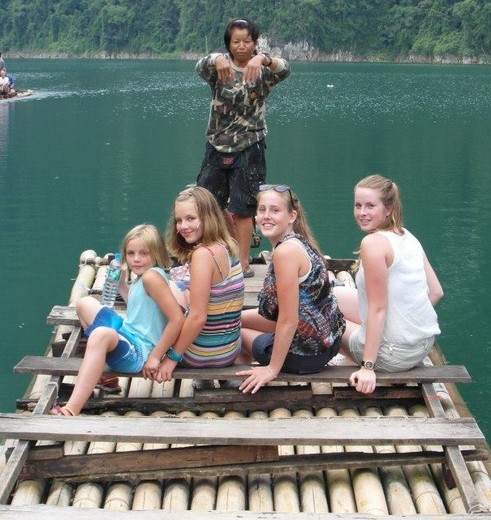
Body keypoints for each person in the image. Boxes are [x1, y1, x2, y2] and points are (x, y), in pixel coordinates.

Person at [49, 224, 186, 416]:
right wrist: (122, 285)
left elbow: (177, 319)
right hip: (129, 335)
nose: (136, 259)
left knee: (100, 334)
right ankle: (105, 373)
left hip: (139, 352)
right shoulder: (143, 276)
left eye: (143, 253)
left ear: (156, 253)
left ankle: (71, 409)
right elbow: (140, 309)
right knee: (84, 304)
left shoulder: (152, 278)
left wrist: (155, 357)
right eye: (130, 253)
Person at [195, 18, 291, 278]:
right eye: (235, 41)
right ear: (228, 43)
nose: (241, 46)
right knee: (208, 204)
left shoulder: (262, 70)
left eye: (247, 41)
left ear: (254, 43)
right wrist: (216, 57)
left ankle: (243, 263)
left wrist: (264, 59)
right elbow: (198, 66)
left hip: (250, 145)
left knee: (244, 207)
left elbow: (285, 70)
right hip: (216, 143)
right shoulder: (218, 68)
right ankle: (213, 256)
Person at [333, 174, 444, 394]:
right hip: (422, 346)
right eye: (358, 205)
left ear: (389, 208)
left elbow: (378, 308)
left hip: (393, 356)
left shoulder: (373, 243)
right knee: (333, 295)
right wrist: (409, 327)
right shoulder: (407, 236)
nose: (362, 213)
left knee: (328, 320)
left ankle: (359, 358)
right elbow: (436, 292)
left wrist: (368, 367)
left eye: (370, 206)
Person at [237, 184, 346, 394]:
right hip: (327, 344)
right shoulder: (298, 241)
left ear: (291, 216)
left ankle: (239, 380)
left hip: (305, 356)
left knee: (236, 332)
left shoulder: (285, 252)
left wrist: (272, 369)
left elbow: (289, 320)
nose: (266, 216)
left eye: (275, 210)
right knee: (236, 319)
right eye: (262, 210)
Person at [154, 186, 245, 383]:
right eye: (179, 220)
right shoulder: (230, 246)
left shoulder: (202, 255)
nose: (183, 226)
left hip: (199, 356)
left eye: (190, 218)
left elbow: (198, 317)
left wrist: (171, 359)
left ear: (208, 217)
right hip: (229, 352)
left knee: (158, 286)